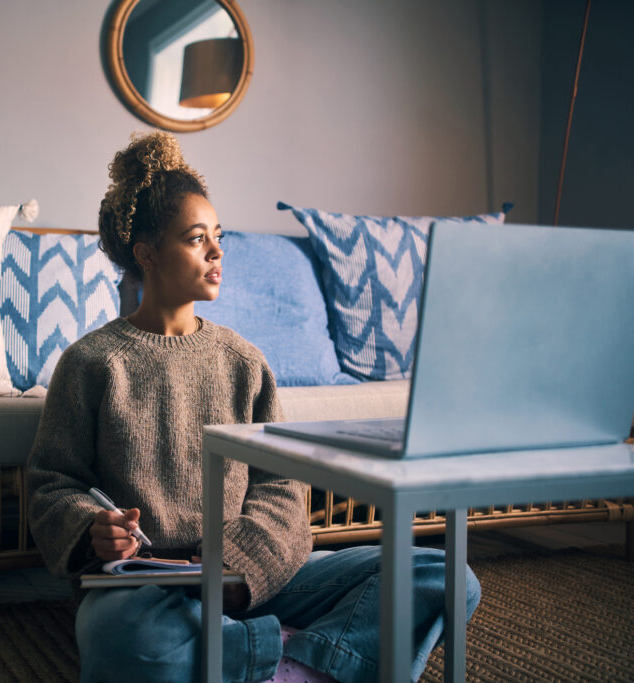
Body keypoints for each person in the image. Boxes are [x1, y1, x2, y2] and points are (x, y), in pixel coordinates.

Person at [26, 131, 480, 683]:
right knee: (122, 636)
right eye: (197, 239)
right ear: (146, 253)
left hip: (246, 579)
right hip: (147, 591)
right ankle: (290, 655)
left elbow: (283, 488)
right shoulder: (91, 363)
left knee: (443, 574)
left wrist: (235, 569)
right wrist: (92, 526)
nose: (217, 251)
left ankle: (279, 663)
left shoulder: (244, 361)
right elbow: (52, 482)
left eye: (217, 236)